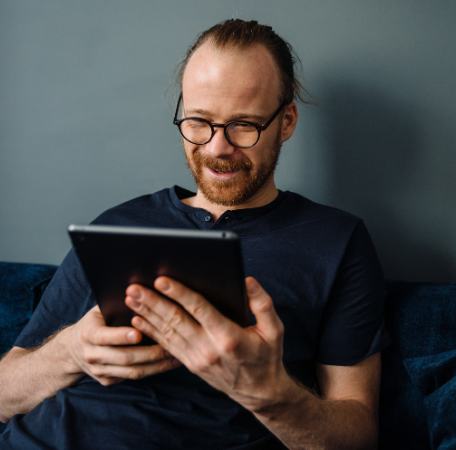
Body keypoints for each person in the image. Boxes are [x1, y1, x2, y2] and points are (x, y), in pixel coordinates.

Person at [0, 19, 384, 449]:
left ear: (287, 121)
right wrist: (69, 352)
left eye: (244, 125)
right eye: (199, 122)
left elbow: (360, 434)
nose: (218, 147)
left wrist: (272, 397)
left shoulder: (337, 240)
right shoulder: (116, 226)